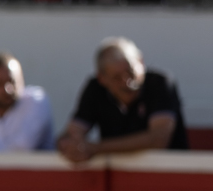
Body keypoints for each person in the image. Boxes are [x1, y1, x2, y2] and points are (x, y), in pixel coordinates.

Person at [57, 37, 189, 163]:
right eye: (116, 77)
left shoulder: (160, 83)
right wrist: (70, 145)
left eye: (130, 72)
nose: (127, 82)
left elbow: (158, 139)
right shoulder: (95, 89)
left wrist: (95, 148)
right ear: (102, 78)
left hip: (165, 178)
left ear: (141, 62)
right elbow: (70, 134)